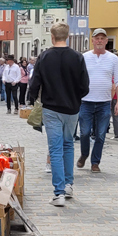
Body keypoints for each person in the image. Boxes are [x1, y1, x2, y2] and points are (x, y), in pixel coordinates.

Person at [28, 23, 89, 206]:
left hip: (51, 108)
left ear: (52, 37)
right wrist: (75, 99)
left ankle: (58, 193)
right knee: (68, 144)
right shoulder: (77, 57)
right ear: (68, 36)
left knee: (55, 149)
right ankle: (69, 185)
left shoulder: (44, 57)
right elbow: (85, 86)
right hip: (72, 109)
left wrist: (34, 100)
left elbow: (34, 84)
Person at [78, 28, 118, 172]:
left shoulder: (113, 59)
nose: (99, 41)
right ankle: (84, 154)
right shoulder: (84, 57)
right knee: (84, 132)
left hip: (104, 102)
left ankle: (95, 162)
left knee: (101, 134)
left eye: (102, 38)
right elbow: (77, 79)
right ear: (92, 40)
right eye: (97, 38)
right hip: (86, 101)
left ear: (106, 41)